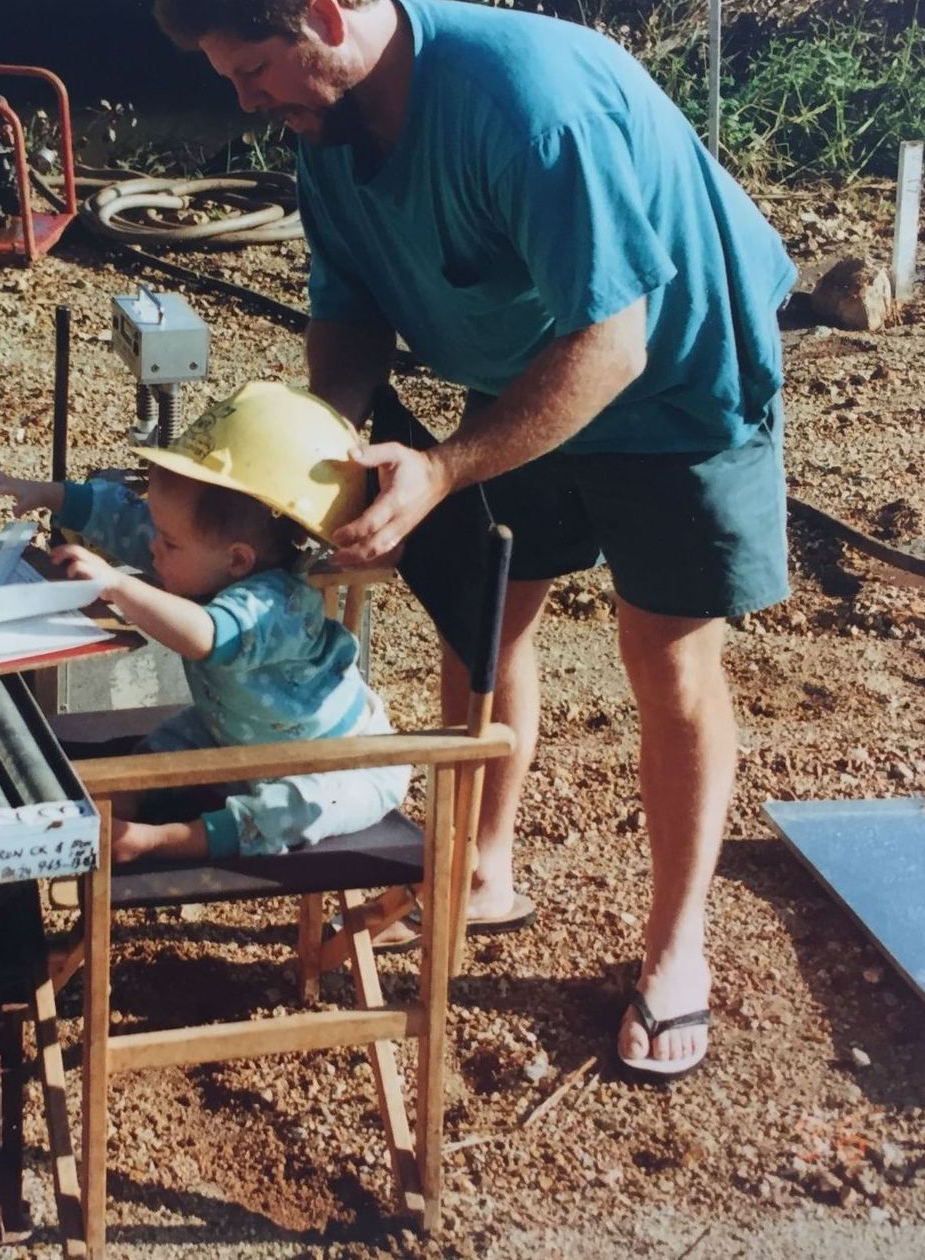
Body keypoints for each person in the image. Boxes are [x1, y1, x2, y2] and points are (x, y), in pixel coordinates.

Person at [154, 0, 798, 1079]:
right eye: (229, 78)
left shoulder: (528, 108)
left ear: (323, 16)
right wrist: (327, 436)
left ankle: (677, 951)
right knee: (483, 615)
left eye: (255, 67)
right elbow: (348, 307)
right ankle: (483, 867)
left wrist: (449, 466)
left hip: (677, 375)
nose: (245, 98)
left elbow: (615, 340)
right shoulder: (330, 125)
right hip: (518, 371)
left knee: (667, 658)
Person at [0, 381, 411, 865]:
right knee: (161, 746)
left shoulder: (278, 605)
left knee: (291, 811)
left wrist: (118, 585)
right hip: (234, 733)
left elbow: (208, 635)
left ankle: (161, 839)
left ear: (238, 560)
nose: (153, 547)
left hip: (342, 761)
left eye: (168, 542)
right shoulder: (194, 554)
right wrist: (47, 493)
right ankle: (125, 802)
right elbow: (125, 517)